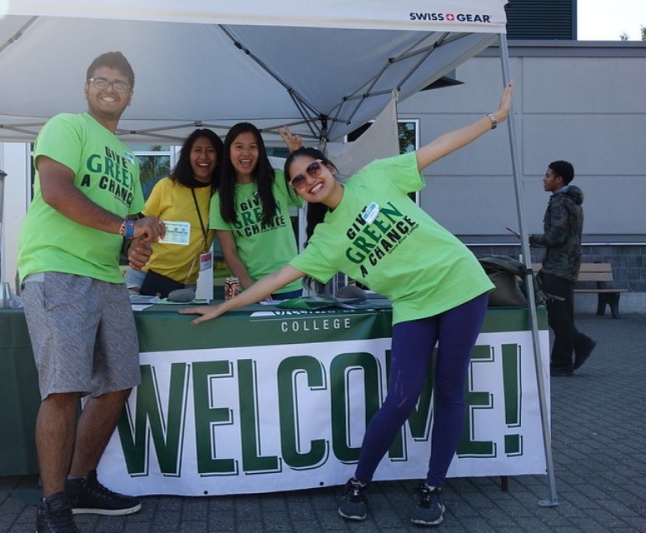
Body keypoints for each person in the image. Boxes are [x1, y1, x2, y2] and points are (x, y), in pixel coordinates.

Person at [181, 81, 515, 527]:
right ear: (297, 193)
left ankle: (432, 488)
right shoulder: (324, 241)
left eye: (313, 169)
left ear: (329, 166)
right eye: (298, 180)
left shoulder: (376, 176)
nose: (308, 180)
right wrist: (225, 307)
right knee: (400, 398)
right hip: (413, 304)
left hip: (460, 284)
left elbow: (436, 146)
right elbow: (279, 278)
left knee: (451, 391)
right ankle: (359, 481)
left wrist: (494, 119)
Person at [17, 51, 164, 533]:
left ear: (131, 95)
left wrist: (135, 249)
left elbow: (128, 230)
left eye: (120, 83)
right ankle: (53, 505)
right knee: (63, 388)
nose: (110, 88)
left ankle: (80, 482)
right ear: (86, 88)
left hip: (106, 277)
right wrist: (128, 228)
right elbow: (57, 192)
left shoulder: (125, 158)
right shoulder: (66, 126)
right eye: (101, 80)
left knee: (119, 381)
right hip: (56, 270)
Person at [209, 122, 304, 300]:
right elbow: (229, 252)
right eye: (239, 147)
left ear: (260, 152)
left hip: (289, 282)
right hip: (254, 288)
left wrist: (295, 155)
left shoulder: (277, 179)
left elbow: (305, 191)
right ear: (228, 153)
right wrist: (252, 288)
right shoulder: (220, 199)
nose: (246, 153)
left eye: (253, 147)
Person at [125, 128, 223, 296]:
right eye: (197, 150)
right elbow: (131, 226)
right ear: (187, 156)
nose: (204, 157)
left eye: (210, 151)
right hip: (143, 277)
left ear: (219, 158)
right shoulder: (167, 186)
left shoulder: (221, 194)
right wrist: (130, 248)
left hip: (185, 286)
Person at [529, 160, 596, 377]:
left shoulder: (560, 202)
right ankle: (565, 359)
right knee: (560, 314)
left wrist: (531, 238)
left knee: (557, 316)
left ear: (559, 180)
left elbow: (555, 236)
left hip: (558, 267)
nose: (544, 178)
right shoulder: (573, 202)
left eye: (548, 175)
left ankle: (568, 357)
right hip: (566, 266)